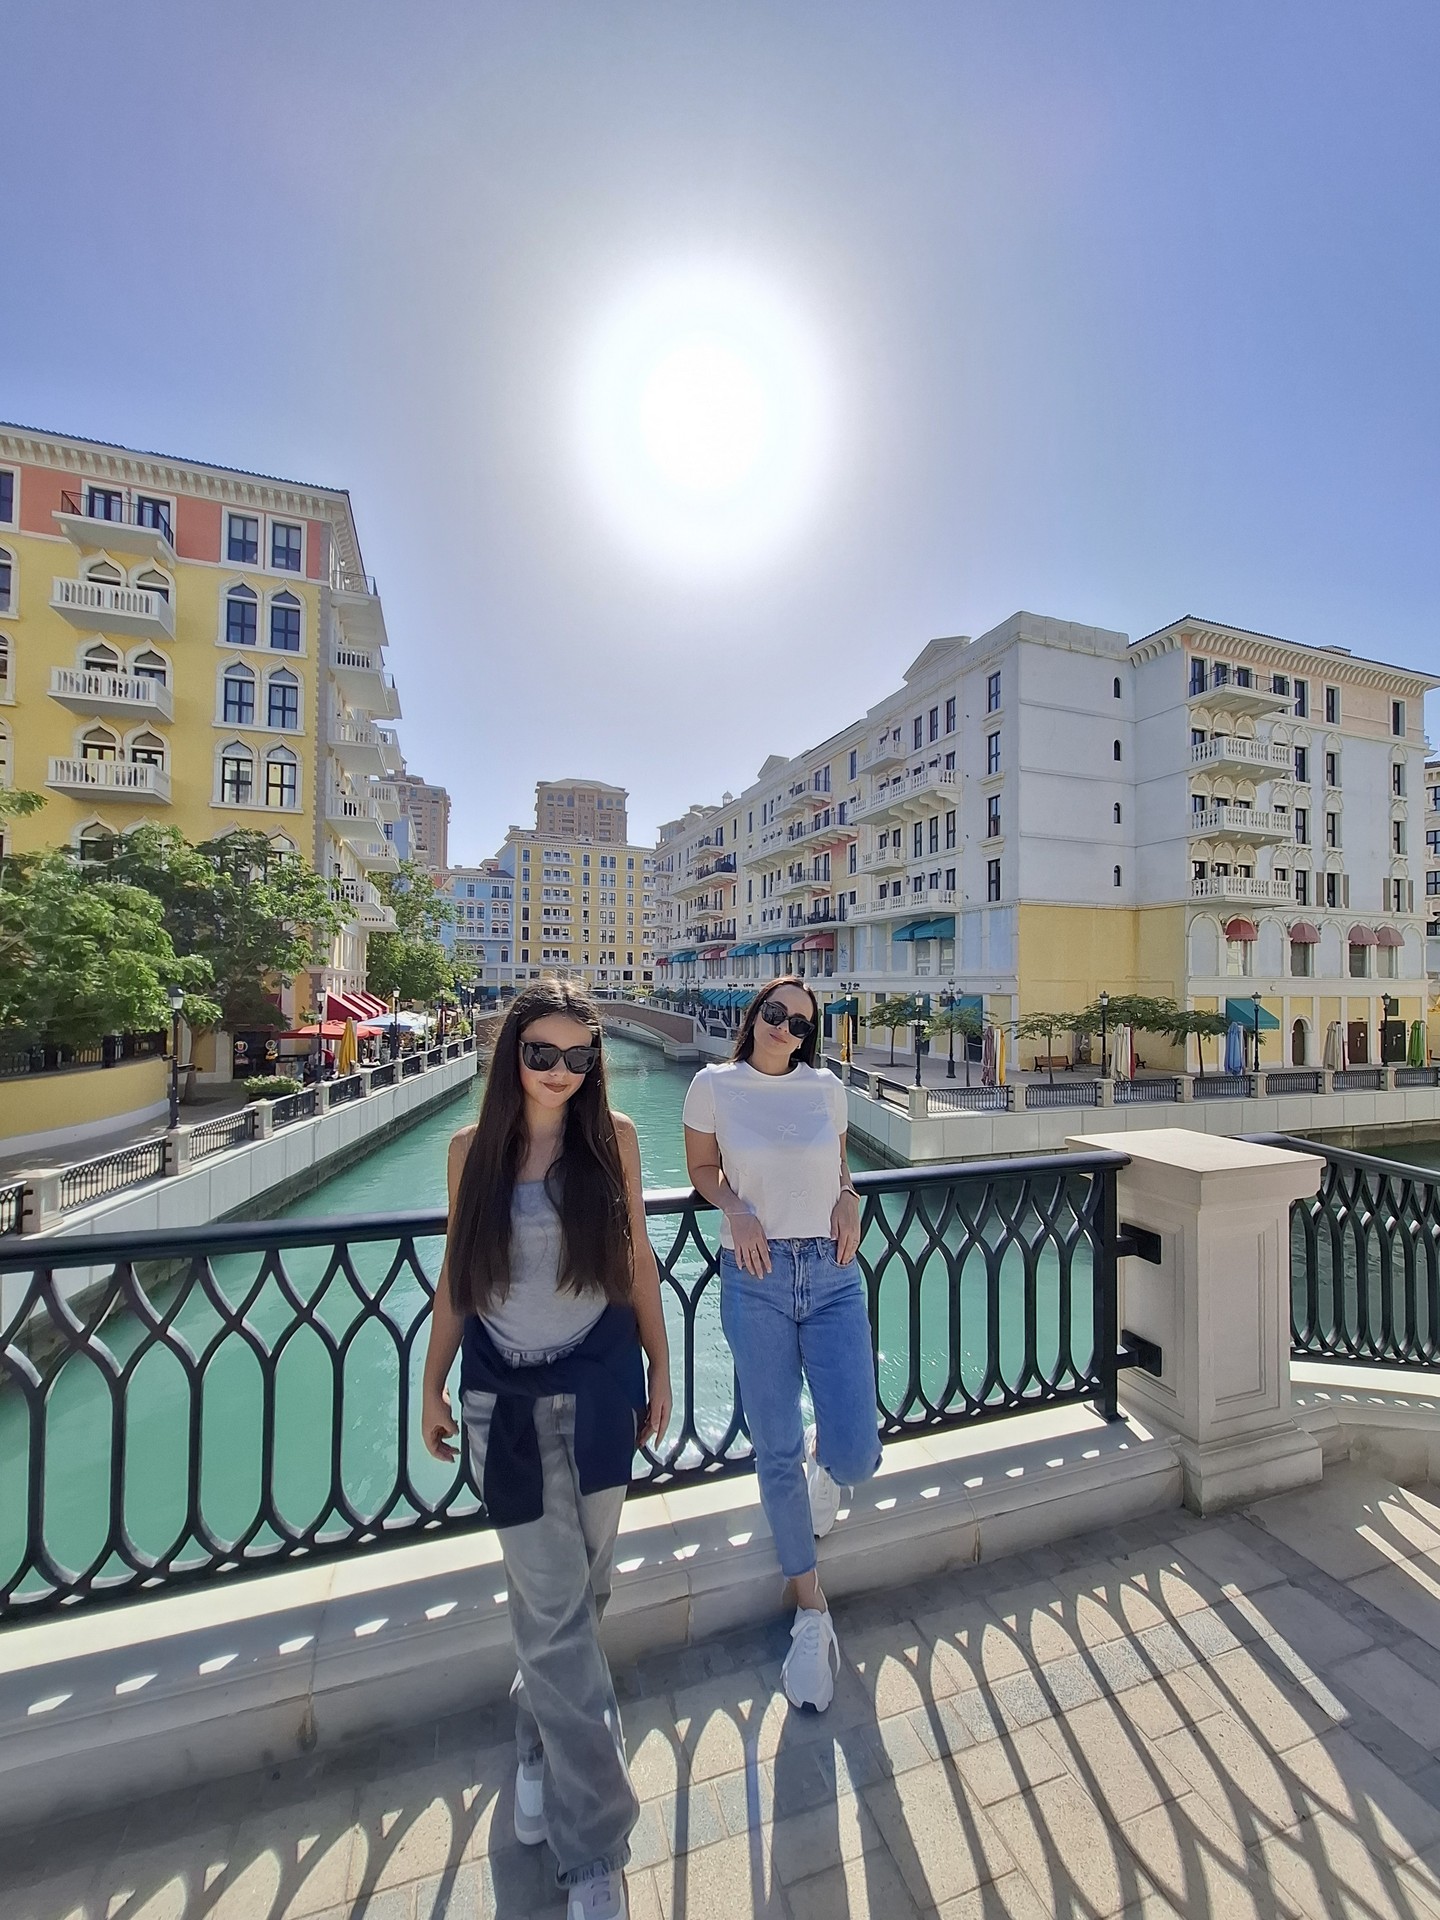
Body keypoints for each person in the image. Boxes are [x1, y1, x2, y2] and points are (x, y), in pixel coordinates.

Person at [421, 979, 671, 1920]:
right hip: (506, 1406)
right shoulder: (470, 1153)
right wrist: (432, 1382)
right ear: (512, 1056)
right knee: (559, 1615)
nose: (560, 1072)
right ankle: (594, 1851)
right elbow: (458, 1276)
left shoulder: (615, 1142)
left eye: (577, 1056)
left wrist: (661, 1365)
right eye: (541, 1054)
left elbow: (637, 1260)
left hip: (601, 1388)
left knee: (582, 1597)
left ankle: (536, 1740)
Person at [683, 975, 881, 1713]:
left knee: (856, 1453)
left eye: (800, 1024)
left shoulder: (825, 1089)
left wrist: (851, 1199)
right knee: (774, 1449)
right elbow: (702, 1169)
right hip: (757, 1276)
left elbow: (840, 1170)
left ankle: (827, 1465)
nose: (785, 1029)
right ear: (754, 1012)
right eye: (775, 1013)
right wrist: (734, 1208)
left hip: (832, 1274)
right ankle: (810, 1607)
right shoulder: (713, 1085)